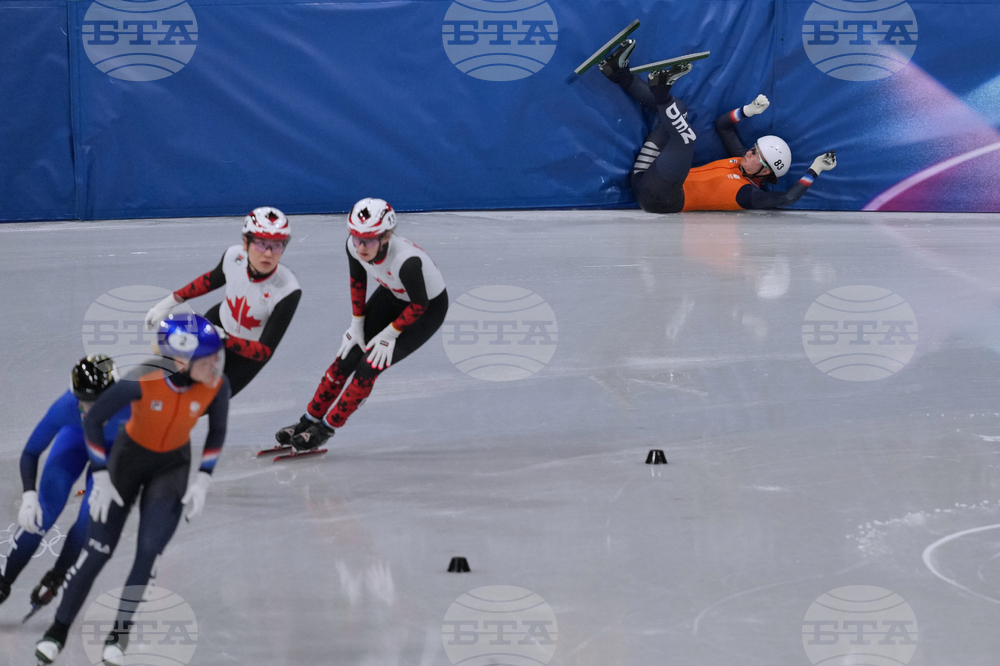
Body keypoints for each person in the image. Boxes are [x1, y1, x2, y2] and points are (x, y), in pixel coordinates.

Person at [35, 314, 230, 666]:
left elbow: (216, 433)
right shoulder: (145, 376)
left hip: (171, 467)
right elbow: (93, 420)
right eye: (208, 358)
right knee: (97, 552)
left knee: (148, 552)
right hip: (126, 463)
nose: (216, 365)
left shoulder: (218, 385)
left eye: (218, 356)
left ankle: (119, 635)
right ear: (181, 362)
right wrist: (102, 475)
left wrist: (204, 477)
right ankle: (57, 631)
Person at [274, 198, 448, 451]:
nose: (361, 246)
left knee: (368, 367)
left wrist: (391, 333)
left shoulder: (407, 262)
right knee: (346, 358)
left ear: (387, 236)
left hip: (426, 309)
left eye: (369, 239)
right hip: (393, 296)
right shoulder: (353, 246)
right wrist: (357, 323)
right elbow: (358, 283)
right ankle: (307, 421)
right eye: (356, 237)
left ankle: (325, 429)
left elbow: (419, 305)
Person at [598, 39, 837, 213]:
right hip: (646, 176)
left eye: (755, 154)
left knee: (686, 139)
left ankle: (661, 91)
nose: (748, 152)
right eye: (753, 148)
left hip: (660, 199)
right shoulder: (742, 160)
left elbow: (786, 198)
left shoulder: (748, 195)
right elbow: (722, 125)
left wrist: (815, 169)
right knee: (677, 110)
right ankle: (618, 73)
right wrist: (748, 111)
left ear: (765, 171)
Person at [0, 356, 128, 616]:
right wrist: (29, 495)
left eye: (94, 402)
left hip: (114, 451)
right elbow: (31, 452)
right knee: (43, 511)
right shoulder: (68, 407)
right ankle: (3, 581)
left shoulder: (134, 404)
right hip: (76, 440)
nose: (86, 408)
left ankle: (57, 576)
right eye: (82, 400)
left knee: (88, 519)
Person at [143, 206, 301, 396]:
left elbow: (264, 351)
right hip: (217, 324)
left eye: (277, 245)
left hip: (246, 354)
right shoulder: (234, 256)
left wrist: (224, 338)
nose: (268, 253)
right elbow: (210, 280)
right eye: (260, 243)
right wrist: (168, 302)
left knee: (205, 400)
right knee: (174, 376)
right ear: (246, 242)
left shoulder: (288, 290)